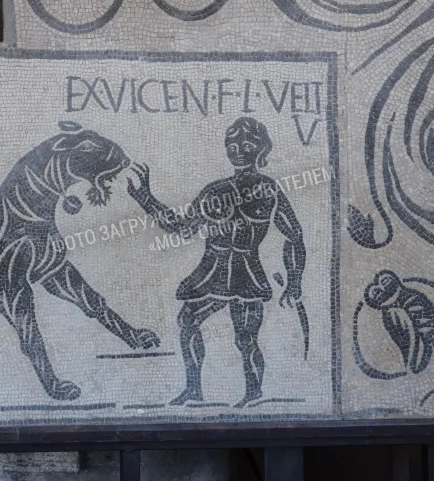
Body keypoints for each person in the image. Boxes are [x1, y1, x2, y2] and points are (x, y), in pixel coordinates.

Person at [127, 116, 306, 407]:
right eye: (232, 146)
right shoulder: (215, 190)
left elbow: (294, 235)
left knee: (245, 338)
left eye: (247, 145)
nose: (238, 151)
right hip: (212, 270)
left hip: (247, 272)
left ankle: (253, 393)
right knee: (187, 320)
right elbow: (182, 228)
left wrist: (295, 281)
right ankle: (193, 389)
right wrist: (146, 199)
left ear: (261, 149)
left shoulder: (269, 190)